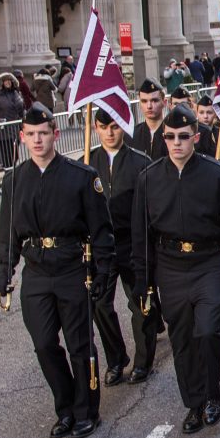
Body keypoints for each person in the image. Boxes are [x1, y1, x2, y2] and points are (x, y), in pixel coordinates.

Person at [0, 104, 115, 438]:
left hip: (72, 268)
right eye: (30, 134)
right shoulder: (15, 179)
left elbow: (101, 231)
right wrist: (5, 271)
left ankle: (86, 410)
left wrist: (103, 272)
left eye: (43, 133)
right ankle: (65, 409)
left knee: (79, 344)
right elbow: (9, 231)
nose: (37, 140)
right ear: (22, 137)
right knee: (45, 343)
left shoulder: (81, 176)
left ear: (55, 134)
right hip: (36, 272)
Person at [132, 105, 220, 434]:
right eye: (169, 137)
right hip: (170, 266)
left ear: (196, 138)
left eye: (183, 137)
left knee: (208, 331)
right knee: (182, 338)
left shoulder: (215, 174)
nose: (176, 143)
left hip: (209, 263)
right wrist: (143, 282)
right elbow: (141, 236)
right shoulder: (149, 177)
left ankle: (213, 394)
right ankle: (194, 402)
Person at [88, 108, 157, 386]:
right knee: (99, 303)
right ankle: (116, 359)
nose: (110, 132)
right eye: (104, 127)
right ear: (96, 128)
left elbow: (151, 207)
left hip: (133, 243)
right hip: (102, 245)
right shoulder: (88, 161)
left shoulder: (141, 162)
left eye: (115, 126)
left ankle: (143, 362)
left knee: (141, 302)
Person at [131, 79, 169, 160]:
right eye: (144, 101)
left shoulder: (175, 135)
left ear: (164, 102)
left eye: (154, 100)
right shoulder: (131, 135)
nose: (149, 106)